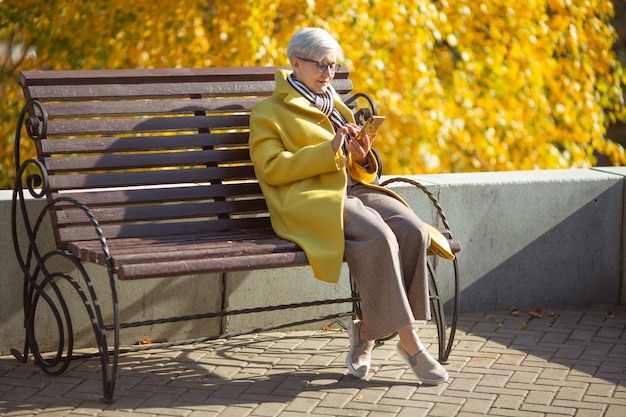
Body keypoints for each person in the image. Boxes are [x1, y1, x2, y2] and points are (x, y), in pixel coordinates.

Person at [249, 27, 448, 385]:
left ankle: (368, 333)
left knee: (412, 230)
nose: (329, 74)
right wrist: (328, 152)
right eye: (321, 66)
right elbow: (272, 169)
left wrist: (362, 155)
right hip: (312, 200)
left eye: (333, 66)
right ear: (295, 63)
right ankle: (411, 344)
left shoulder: (335, 104)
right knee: (378, 235)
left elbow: (357, 168)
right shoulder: (268, 113)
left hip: (352, 189)